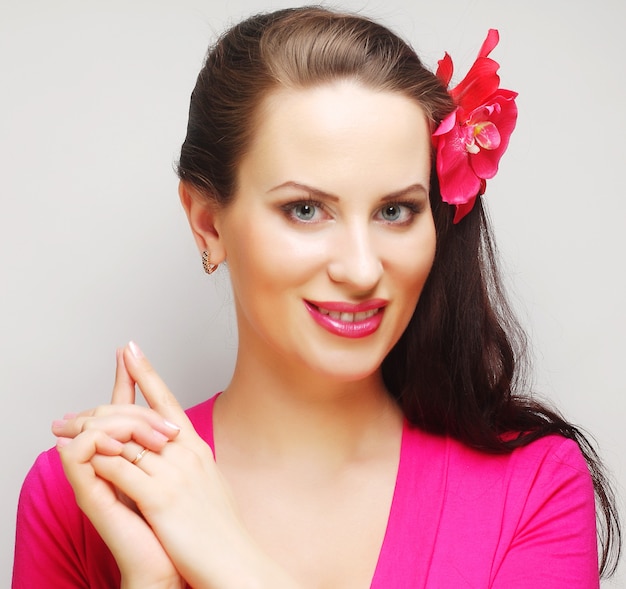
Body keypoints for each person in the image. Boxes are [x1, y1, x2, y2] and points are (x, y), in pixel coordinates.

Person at [12, 6, 621, 588]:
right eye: (306, 210)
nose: (360, 269)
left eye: (396, 210)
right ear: (208, 224)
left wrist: (233, 565)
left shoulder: (535, 486)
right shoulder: (81, 497)